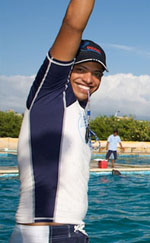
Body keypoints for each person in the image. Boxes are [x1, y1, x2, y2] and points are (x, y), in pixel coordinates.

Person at [11, 0, 107, 241]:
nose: (90, 79)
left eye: (97, 73)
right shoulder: (50, 95)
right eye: (81, 69)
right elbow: (73, 24)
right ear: (66, 70)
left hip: (66, 231)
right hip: (47, 233)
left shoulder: (78, 111)